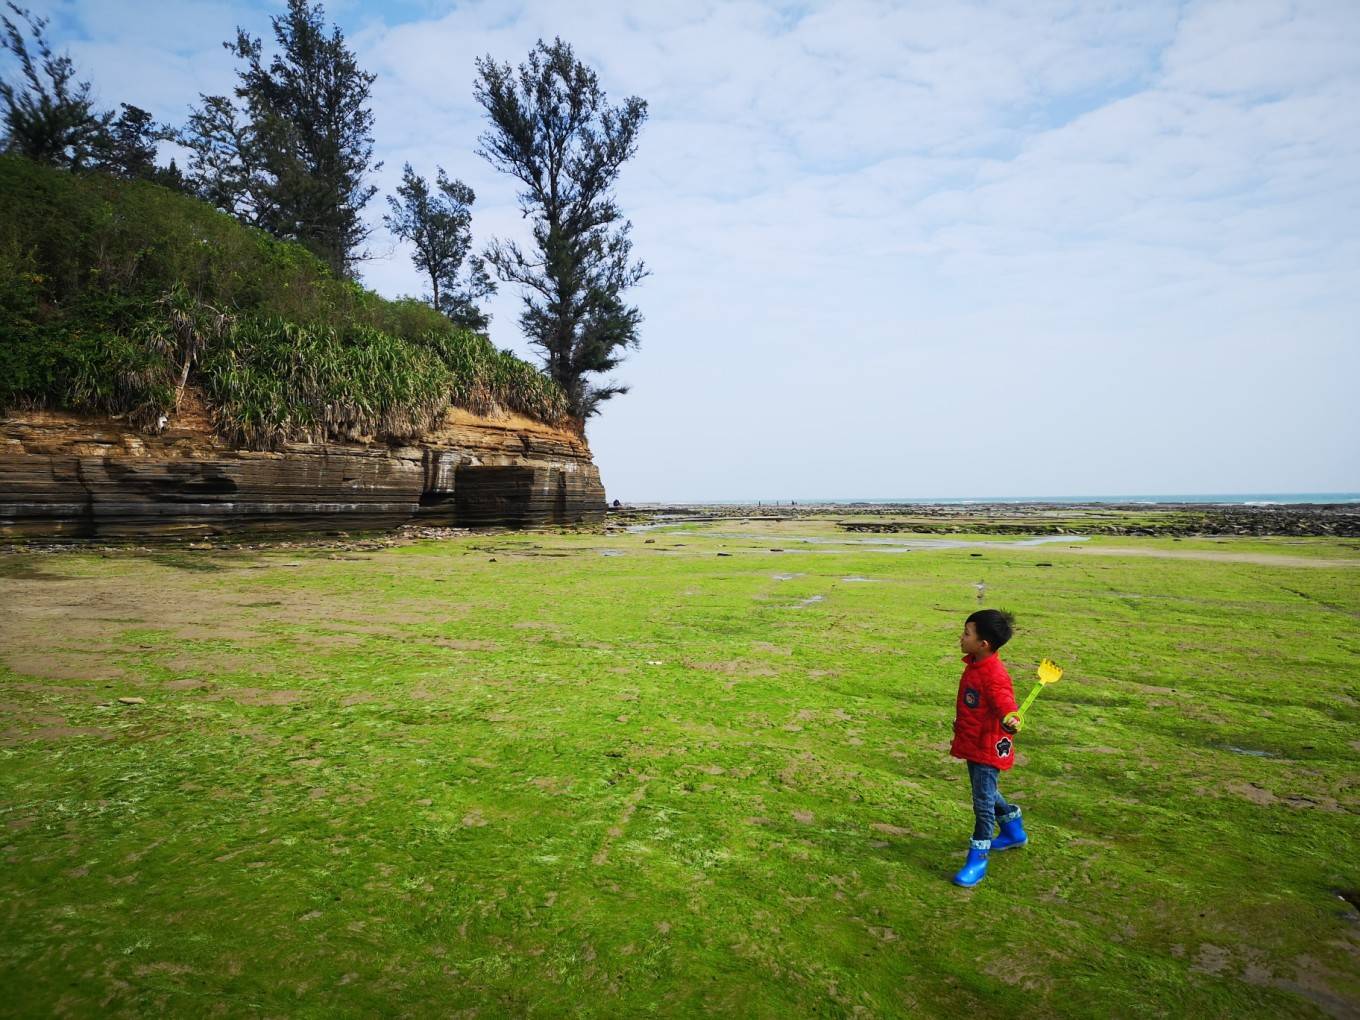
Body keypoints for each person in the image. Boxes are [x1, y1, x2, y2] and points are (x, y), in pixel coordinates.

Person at [949, 608, 1026, 887]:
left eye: (967, 634)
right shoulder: (975, 665)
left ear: (984, 644)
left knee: (982, 804)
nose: (961, 637)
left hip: (987, 747)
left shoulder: (993, 673)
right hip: (973, 742)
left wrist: (1010, 716)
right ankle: (1013, 830)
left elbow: (1003, 698)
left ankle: (977, 860)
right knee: (987, 791)